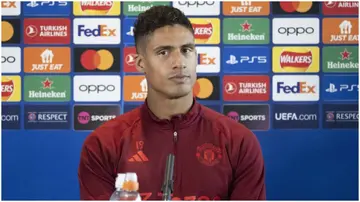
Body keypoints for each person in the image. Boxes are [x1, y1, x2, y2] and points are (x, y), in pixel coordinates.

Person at [78, 5, 266, 200]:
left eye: (186, 50)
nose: (180, 62)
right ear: (140, 63)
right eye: (163, 52)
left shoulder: (239, 142)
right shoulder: (104, 144)